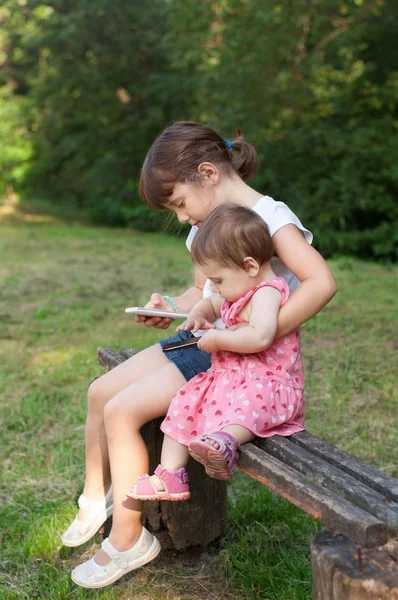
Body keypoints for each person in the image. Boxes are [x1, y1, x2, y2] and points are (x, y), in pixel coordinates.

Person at [65, 121, 337, 589]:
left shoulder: (270, 219)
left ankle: (129, 540)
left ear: (208, 172)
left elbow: (321, 283)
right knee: (100, 391)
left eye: (179, 203)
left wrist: (257, 333)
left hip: (239, 363)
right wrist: (171, 308)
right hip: (209, 341)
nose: (181, 217)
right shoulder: (208, 227)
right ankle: (97, 497)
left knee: (121, 410)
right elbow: (203, 294)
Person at [128, 205, 305, 501]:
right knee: (185, 402)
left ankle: (224, 443)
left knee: (248, 406)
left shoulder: (267, 293)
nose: (216, 290)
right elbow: (211, 304)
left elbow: (260, 336)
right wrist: (198, 312)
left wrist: (217, 339)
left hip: (268, 386)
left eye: (219, 281)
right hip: (231, 379)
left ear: (250, 266)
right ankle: (170, 475)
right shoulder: (237, 288)